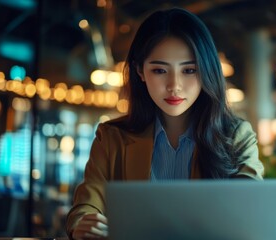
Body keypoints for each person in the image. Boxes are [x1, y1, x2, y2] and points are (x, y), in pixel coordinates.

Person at [66, 7, 264, 239]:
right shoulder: (111, 137)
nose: (174, 86)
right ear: (140, 71)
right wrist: (84, 224)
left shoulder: (236, 136)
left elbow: (253, 214)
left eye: (189, 70)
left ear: (207, 71)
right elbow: (86, 207)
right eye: (160, 70)